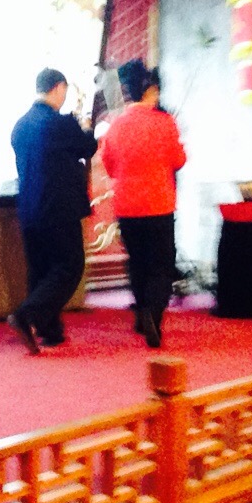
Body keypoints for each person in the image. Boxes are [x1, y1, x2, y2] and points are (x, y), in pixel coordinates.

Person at [7, 68, 97, 354]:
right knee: (70, 266)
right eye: (65, 91)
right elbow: (88, 147)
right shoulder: (60, 123)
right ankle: (27, 315)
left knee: (41, 270)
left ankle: (50, 331)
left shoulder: (19, 126)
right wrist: (85, 126)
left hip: (29, 209)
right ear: (58, 88)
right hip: (59, 208)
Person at [101, 60, 187, 348]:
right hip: (159, 204)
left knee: (137, 262)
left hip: (127, 206)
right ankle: (153, 312)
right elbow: (179, 160)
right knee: (161, 265)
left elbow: (109, 166)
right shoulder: (165, 123)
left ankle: (141, 313)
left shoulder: (116, 126)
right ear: (150, 91)